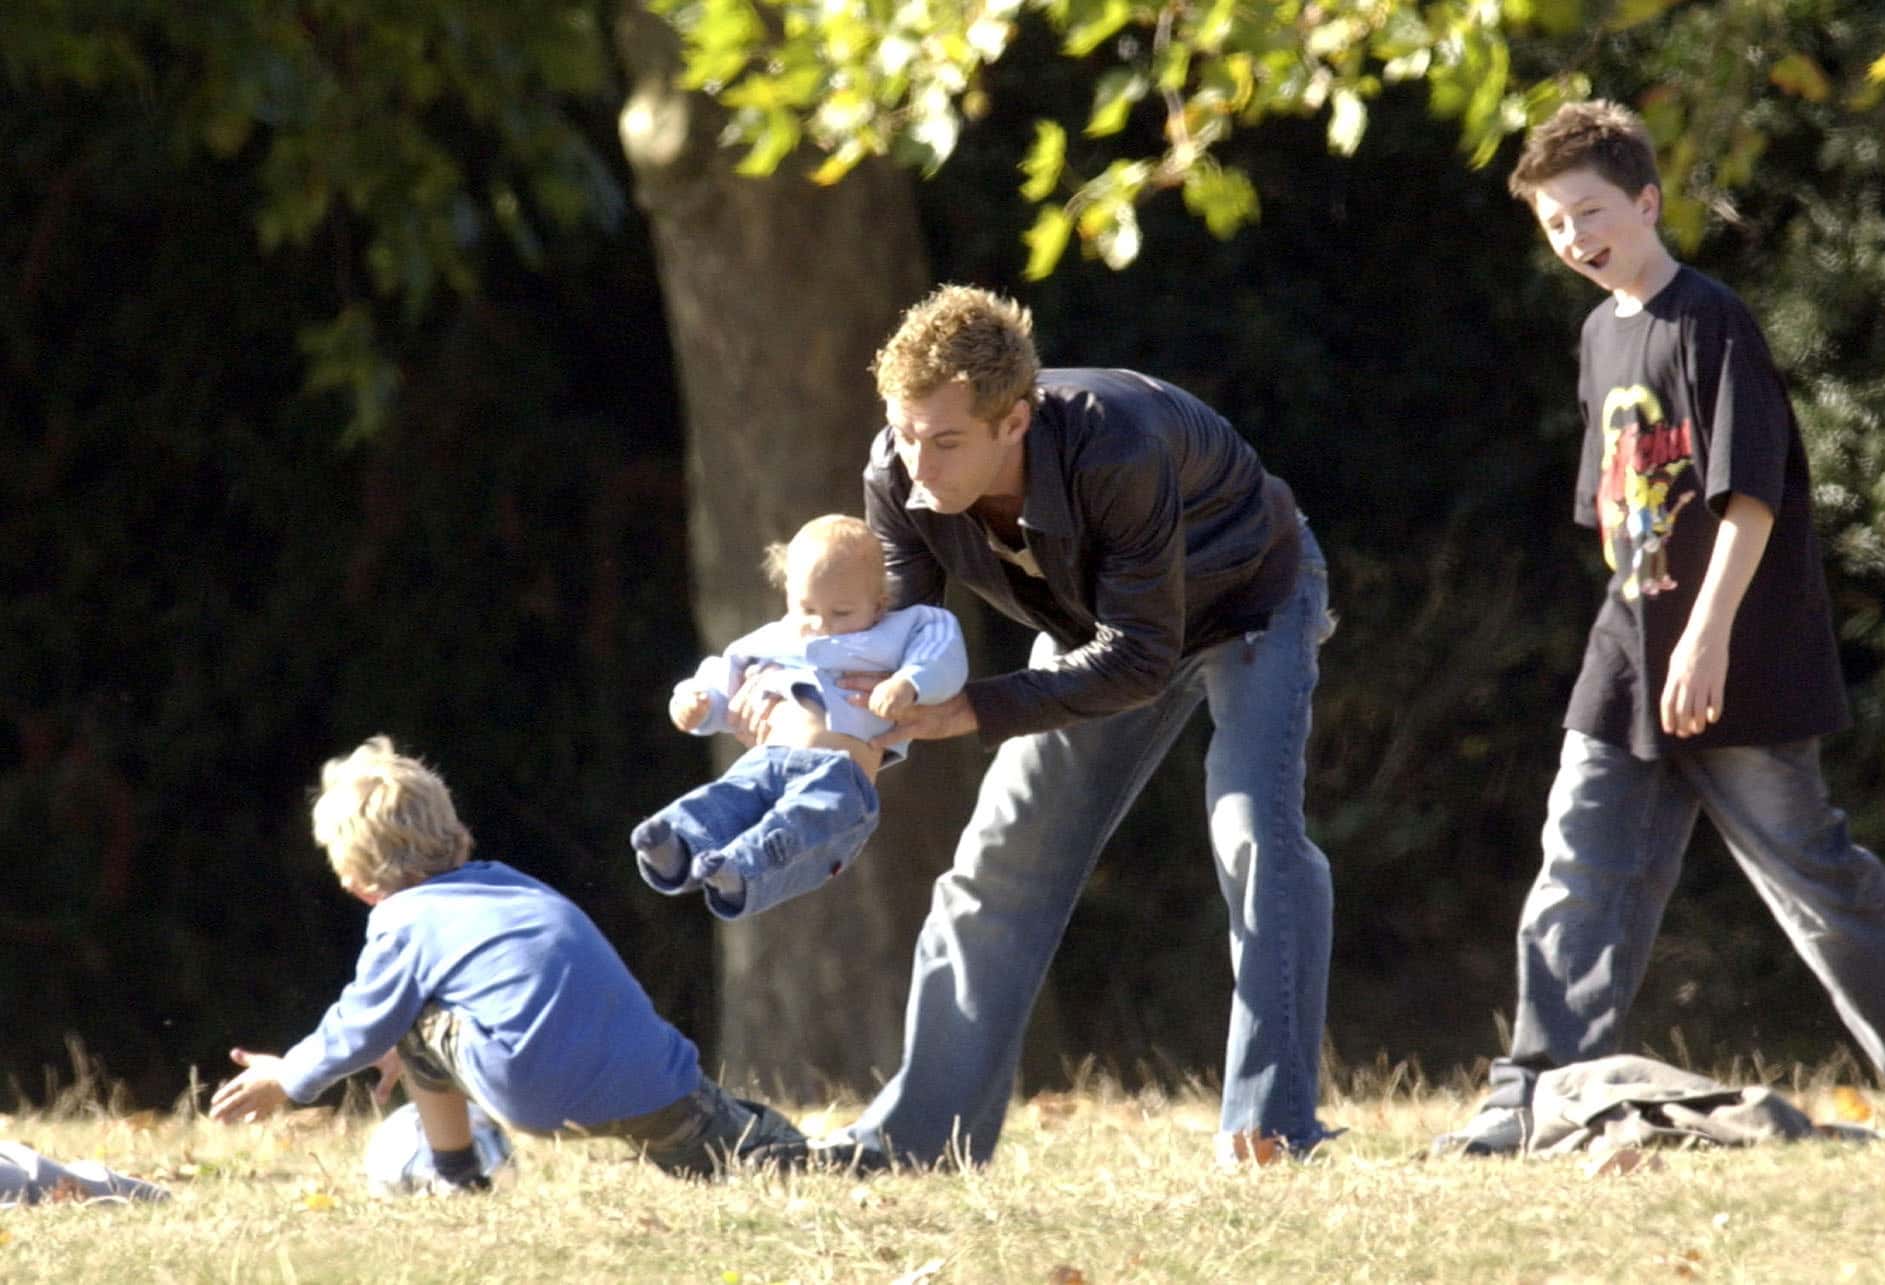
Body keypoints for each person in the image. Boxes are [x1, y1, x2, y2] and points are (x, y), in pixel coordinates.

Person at [1434, 100, 1885, 1155]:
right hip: (1630, 653)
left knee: (1809, 874)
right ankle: (1537, 1089)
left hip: (1737, 656)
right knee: (1577, 865)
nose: (1576, 238)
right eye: (1553, 225)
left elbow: (1746, 493)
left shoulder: (1707, 318)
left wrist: (1708, 633)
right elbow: (1614, 513)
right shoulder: (1597, 335)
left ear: (1645, 200)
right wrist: (1641, 641)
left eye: (1589, 212)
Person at [804, 283, 1335, 1168]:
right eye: (903, 433)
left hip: (1250, 599)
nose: (917, 464)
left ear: (1015, 422)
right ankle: (917, 1140)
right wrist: (816, 730)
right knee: (999, 862)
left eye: (945, 441)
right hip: (1104, 629)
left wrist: (973, 708)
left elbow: (1138, 658)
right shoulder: (896, 473)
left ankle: (1270, 1130)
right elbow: (893, 647)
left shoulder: (1114, 447)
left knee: (1255, 836)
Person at [209, 736, 805, 1185]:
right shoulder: (516, 887)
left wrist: (286, 1077)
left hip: (537, 1093)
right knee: (757, 1153)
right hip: (655, 1079)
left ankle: (456, 1176)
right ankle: (804, 1160)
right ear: (455, 830)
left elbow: (359, 1024)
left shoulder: (402, 920)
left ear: (355, 878)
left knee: (412, 1022)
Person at [631, 514, 967, 919]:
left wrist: (910, 684)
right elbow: (723, 676)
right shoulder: (775, 638)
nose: (822, 626)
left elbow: (942, 651)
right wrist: (696, 702)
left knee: (802, 824)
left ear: (879, 605)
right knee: (728, 798)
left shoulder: (902, 630)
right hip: (764, 760)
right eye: (806, 609)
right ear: (789, 594)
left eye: (842, 613)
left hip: (839, 775)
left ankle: (741, 871)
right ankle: (678, 842)